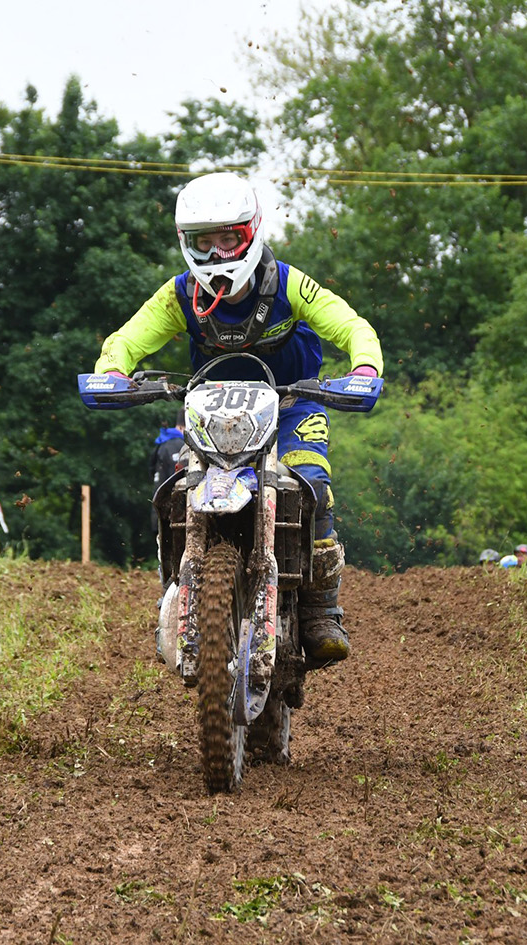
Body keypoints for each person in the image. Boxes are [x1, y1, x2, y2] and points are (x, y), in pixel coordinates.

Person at [94, 172, 383, 662]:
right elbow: (128, 338)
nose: (216, 253)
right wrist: (113, 371)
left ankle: (320, 609)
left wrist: (363, 366)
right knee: (176, 491)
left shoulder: (288, 284)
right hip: (213, 411)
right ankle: (179, 592)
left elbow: (351, 324)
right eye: (203, 242)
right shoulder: (181, 295)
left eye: (228, 238)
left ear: (250, 232)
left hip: (293, 405)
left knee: (311, 482)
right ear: (186, 243)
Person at [148, 413, 185, 531]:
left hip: (159, 514)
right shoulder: (184, 447)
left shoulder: (160, 444)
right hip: (178, 516)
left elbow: (151, 472)